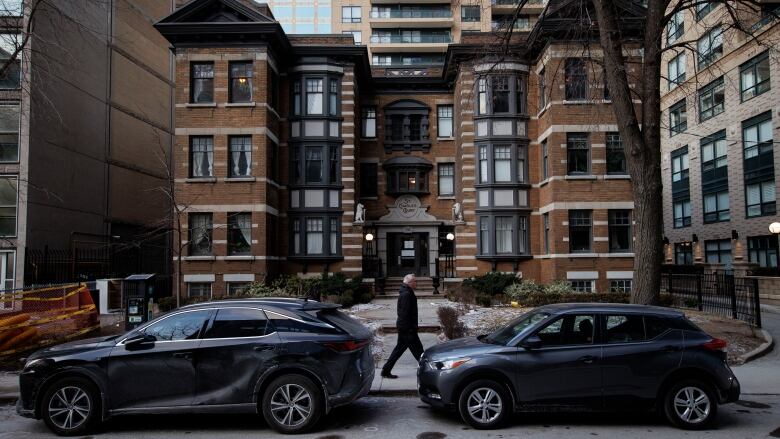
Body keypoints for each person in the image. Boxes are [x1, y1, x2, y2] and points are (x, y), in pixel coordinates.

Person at [381, 274, 423, 379]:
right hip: (407, 329)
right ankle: (427, 371)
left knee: (398, 350)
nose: (416, 283)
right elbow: (404, 313)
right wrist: (409, 328)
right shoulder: (406, 294)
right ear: (409, 283)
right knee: (419, 352)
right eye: (414, 281)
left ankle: (386, 370)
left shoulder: (406, 292)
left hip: (405, 327)